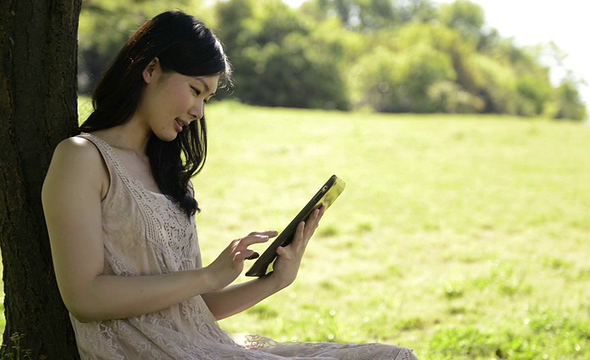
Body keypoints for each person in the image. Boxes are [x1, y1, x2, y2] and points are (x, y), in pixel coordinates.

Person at [42, 10, 418, 360]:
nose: (198, 112)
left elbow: (194, 309)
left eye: (206, 98)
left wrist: (275, 282)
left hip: (206, 347)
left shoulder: (171, 178)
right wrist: (209, 275)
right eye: (194, 89)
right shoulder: (82, 158)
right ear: (151, 69)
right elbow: (84, 296)